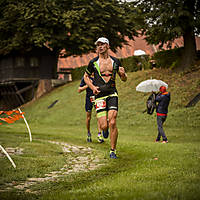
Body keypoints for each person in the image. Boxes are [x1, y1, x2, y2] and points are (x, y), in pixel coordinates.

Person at [83, 37, 127, 159]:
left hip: (112, 94)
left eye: (102, 44)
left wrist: (123, 75)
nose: (100, 47)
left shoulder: (116, 61)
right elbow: (86, 77)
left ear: (107, 46)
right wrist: (92, 87)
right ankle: (105, 129)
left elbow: (124, 79)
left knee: (113, 121)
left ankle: (113, 150)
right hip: (99, 96)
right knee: (103, 126)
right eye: (98, 45)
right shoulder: (93, 62)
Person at [78, 76, 104, 143]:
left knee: (99, 116)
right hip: (89, 99)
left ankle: (99, 134)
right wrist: (88, 85)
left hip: (98, 98)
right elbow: (79, 90)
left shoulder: (98, 75)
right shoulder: (85, 78)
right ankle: (88, 134)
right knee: (88, 117)